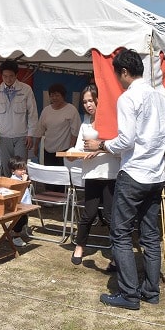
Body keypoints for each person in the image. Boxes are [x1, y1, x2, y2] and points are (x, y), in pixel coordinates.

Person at [85, 49, 165, 311]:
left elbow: (126, 140)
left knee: (120, 234)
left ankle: (129, 294)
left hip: (134, 173)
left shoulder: (128, 97)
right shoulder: (161, 95)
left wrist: (101, 144)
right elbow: (163, 135)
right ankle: (151, 291)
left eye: (117, 75)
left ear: (123, 72)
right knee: (150, 235)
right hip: (156, 173)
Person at [68, 84, 119, 268]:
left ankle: (116, 254)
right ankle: (80, 246)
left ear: (99, 99)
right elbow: (80, 147)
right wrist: (71, 154)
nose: (88, 105)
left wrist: (99, 149)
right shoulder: (86, 122)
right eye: (85, 102)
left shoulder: (112, 121)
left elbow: (119, 148)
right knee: (88, 214)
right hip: (91, 174)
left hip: (110, 174)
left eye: (91, 100)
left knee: (111, 216)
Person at [0, 60, 38, 177]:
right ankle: (7, 193)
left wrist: (30, 134)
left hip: (22, 136)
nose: (8, 79)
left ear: (16, 75)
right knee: (6, 167)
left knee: (20, 168)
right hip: (4, 136)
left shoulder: (26, 90)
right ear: (1, 76)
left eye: (11, 76)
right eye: (5, 76)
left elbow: (32, 113)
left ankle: (22, 193)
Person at [8, 156, 32, 248]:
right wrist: (24, 182)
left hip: (24, 203)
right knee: (20, 220)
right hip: (18, 204)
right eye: (20, 169)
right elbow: (19, 190)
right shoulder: (13, 179)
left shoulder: (20, 178)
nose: (23, 171)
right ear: (13, 171)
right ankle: (16, 236)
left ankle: (11, 232)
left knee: (23, 219)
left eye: (24, 169)